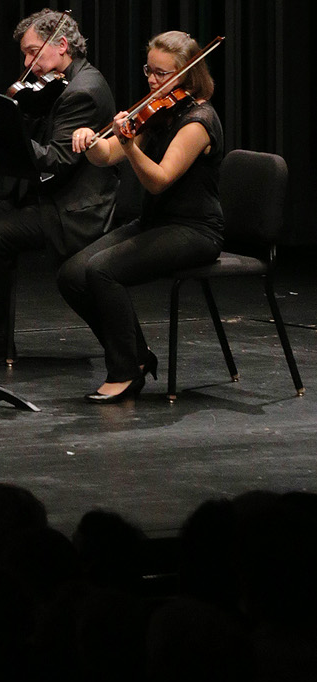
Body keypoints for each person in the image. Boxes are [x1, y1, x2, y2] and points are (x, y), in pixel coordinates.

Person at [56, 31, 223, 403]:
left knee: (102, 271)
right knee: (71, 275)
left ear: (186, 74)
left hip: (195, 229)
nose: (152, 79)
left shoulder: (197, 121)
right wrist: (89, 140)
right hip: (157, 223)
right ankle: (138, 355)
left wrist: (130, 145)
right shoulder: (159, 110)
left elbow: (159, 181)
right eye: (149, 70)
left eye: (162, 73)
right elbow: (107, 155)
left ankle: (125, 370)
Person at [0, 8, 118, 374]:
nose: (27, 63)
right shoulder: (61, 83)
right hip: (51, 197)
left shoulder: (84, 92)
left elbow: (58, 159)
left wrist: (8, 132)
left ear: (62, 45)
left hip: (74, 210)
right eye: (25, 54)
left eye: (33, 52)